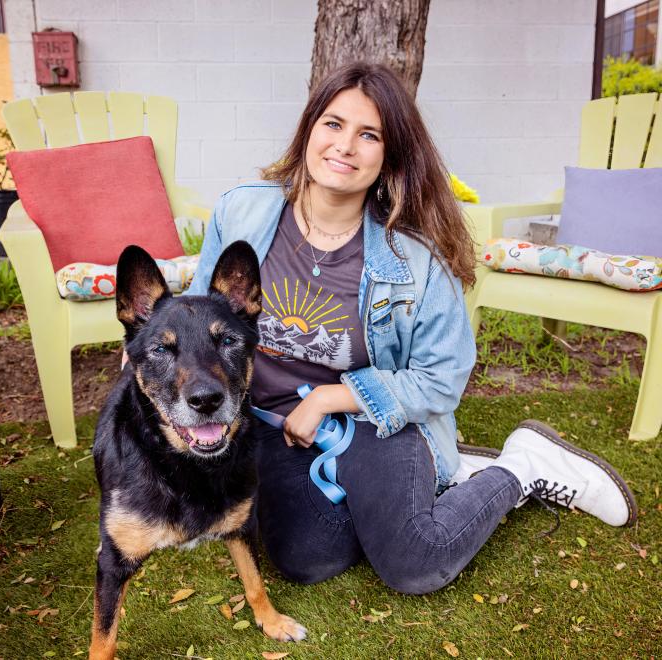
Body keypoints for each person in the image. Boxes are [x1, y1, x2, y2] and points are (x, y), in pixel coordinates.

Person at [185, 62, 636, 594]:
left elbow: (443, 377)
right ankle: (414, 490)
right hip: (270, 426)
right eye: (333, 124)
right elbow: (201, 311)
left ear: (389, 155)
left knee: (415, 564)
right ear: (309, 129)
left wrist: (330, 398)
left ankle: (520, 468)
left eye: (368, 134)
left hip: (378, 422)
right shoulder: (242, 212)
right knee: (304, 560)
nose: (345, 146)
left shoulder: (412, 258)